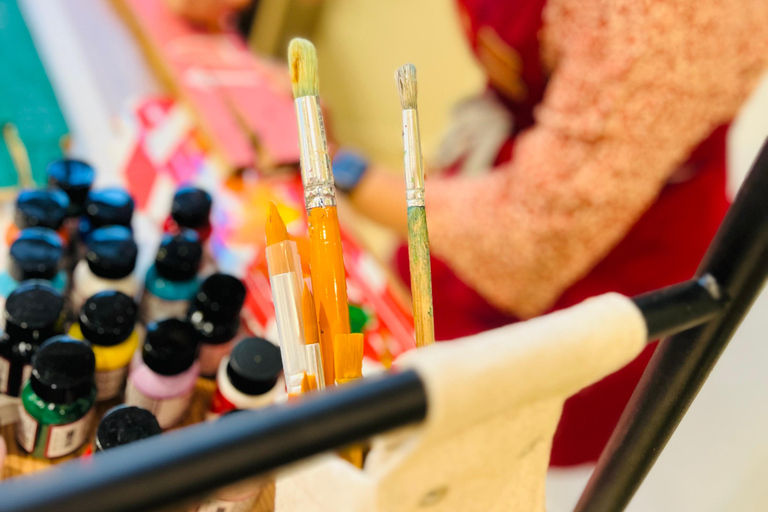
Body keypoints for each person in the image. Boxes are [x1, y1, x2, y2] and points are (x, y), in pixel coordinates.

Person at [170, 0, 768, 466]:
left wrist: (338, 167)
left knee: (448, 443)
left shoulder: (669, 20)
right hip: (496, 172)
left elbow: (525, 242)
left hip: (592, 257)